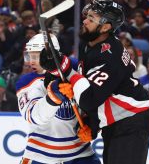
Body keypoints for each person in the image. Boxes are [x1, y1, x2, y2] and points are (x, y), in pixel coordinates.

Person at [40, 0, 149, 164]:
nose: (85, 21)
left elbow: (89, 98)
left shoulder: (109, 55)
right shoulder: (91, 45)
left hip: (131, 124)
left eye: (91, 18)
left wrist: (66, 70)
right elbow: (100, 93)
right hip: (116, 124)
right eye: (87, 16)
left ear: (105, 27)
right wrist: (92, 125)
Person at [16, 33, 100, 164]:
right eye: (29, 56)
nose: (31, 61)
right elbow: (34, 116)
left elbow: (95, 103)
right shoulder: (27, 82)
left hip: (81, 153)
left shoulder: (74, 72)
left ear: (51, 54)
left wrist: (92, 125)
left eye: (36, 56)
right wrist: (54, 95)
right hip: (40, 156)